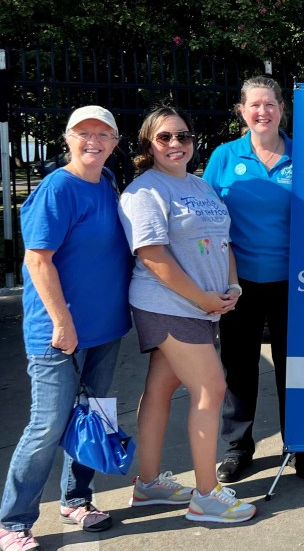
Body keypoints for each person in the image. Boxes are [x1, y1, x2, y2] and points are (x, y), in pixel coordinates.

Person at [0, 106, 132, 551]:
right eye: (83, 133)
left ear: (115, 142)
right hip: (60, 332)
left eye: (103, 134)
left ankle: (77, 500)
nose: (93, 141)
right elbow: (37, 259)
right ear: (67, 138)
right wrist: (62, 322)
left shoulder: (109, 183)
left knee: (93, 419)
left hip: (105, 328)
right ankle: (12, 522)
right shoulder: (58, 188)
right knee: (48, 424)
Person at [118, 105, 255, 524]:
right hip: (169, 307)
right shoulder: (144, 192)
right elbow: (153, 256)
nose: (176, 144)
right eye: (165, 137)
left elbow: (224, 242)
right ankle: (207, 496)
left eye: (183, 136)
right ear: (148, 145)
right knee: (211, 389)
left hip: (202, 307)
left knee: (160, 390)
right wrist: (202, 299)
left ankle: (148, 485)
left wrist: (231, 286)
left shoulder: (200, 187)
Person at [203, 76, 304, 483]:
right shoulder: (224, 156)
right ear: (242, 111)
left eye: (269, 104)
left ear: (282, 109)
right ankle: (239, 446)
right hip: (237, 281)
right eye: (254, 105)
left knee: (296, 365)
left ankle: (301, 443)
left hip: (296, 280)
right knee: (238, 365)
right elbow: (206, 216)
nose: (262, 112)